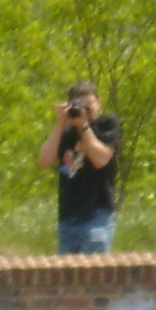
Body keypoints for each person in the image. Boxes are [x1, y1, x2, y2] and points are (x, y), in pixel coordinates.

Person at [40, 80, 121, 254]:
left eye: (89, 105)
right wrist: (60, 124)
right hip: (69, 215)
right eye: (79, 105)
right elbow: (44, 161)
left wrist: (84, 126)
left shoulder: (107, 124)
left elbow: (101, 159)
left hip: (97, 213)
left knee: (92, 273)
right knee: (67, 276)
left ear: (98, 103)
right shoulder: (66, 132)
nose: (84, 110)